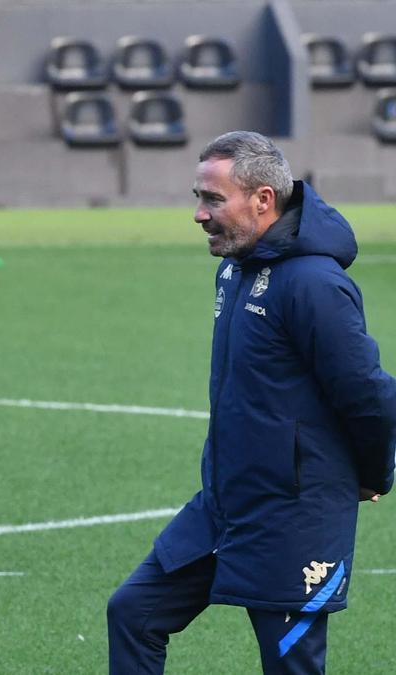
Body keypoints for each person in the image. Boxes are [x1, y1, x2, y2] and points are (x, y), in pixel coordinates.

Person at [107, 131, 396, 674]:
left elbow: (369, 393)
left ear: (263, 199)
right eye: (199, 197)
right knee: (134, 612)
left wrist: (376, 473)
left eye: (212, 199)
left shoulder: (313, 283)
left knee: (290, 667)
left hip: (293, 517)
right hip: (225, 504)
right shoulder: (235, 270)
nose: (198, 214)